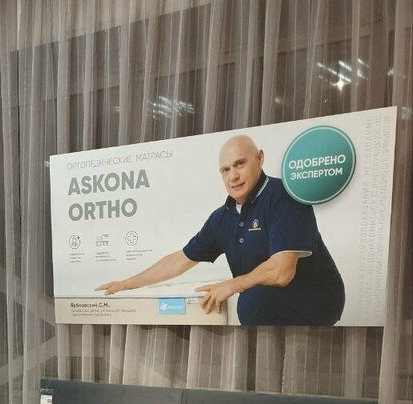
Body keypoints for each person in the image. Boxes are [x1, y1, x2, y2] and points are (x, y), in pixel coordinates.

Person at [95, 134, 345, 326]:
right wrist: (126, 284)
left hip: (316, 299)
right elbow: (180, 260)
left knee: (250, 301)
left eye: (240, 164)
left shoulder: (284, 197)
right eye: (226, 170)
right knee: (233, 301)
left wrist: (231, 285)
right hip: (269, 300)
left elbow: (282, 272)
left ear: (260, 158)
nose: (233, 176)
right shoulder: (222, 218)